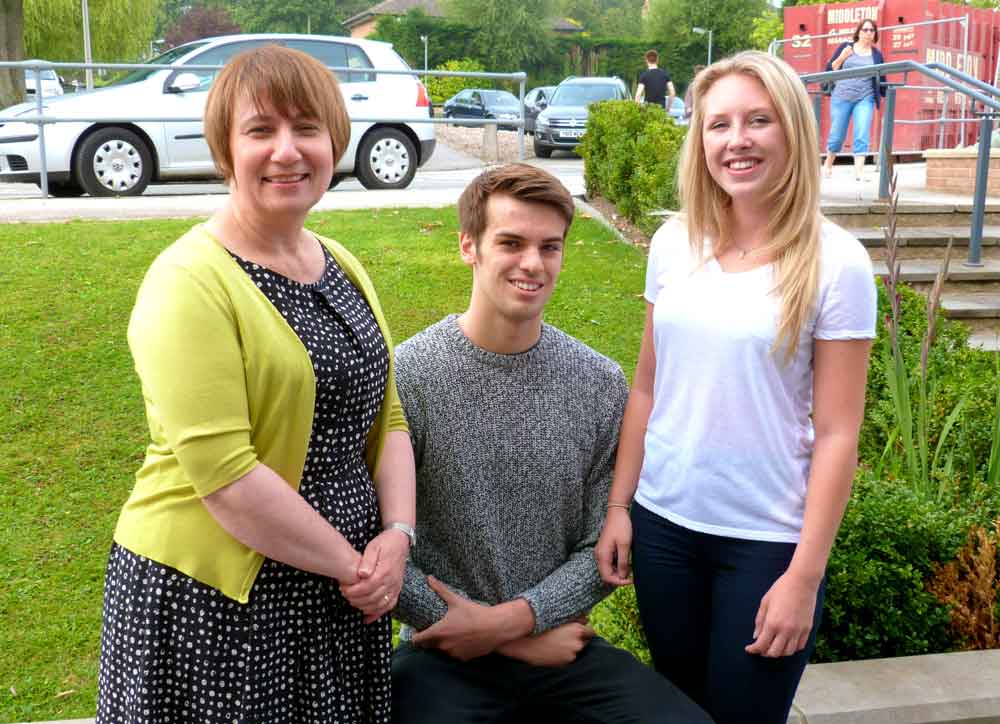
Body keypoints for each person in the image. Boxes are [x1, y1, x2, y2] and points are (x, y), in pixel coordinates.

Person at [96, 45, 415, 723]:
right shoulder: (187, 282)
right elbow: (228, 477)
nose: (287, 150)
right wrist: (358, 569)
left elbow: (386, 419)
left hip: (339, 593)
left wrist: (398, 535)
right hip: (218, 607)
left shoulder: (340, 262)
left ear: (335, 140)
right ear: (224, 148)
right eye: (260, 130)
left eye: (307, 127)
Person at [595, 51, 876, 724]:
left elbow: (839, 435)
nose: (736, 140)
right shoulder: (674, 244)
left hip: (766, 543)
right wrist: (618, 507)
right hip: (665, 529)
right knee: (680, 713)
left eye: (758, 120)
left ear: (793, 133)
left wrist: (803, 577)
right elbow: (647, 386)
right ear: (700, 139)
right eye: (718, 124)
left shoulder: (837, 263)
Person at [391, 164, 712, 724]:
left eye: (550, 247)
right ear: (469, 246)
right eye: (510, 243)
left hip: (562, 647)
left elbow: (602, 549)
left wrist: (514, 622)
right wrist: (505, 636)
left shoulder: (597, 383)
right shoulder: (409, 377)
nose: (533, 264)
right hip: (442, 649)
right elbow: (381, 549)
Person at [822, 19, 886, 180]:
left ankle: (859, 172)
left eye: (872, 30)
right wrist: (842, 57)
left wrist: (885, 94)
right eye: (865, 30)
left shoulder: (876, 54)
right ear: (858, 32)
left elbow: (882, 77)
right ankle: (828, 165)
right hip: (841, 97)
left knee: (862, 132)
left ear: (875, 34)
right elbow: (830, 69)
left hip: (865, 98)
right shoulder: (846, 47)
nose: (868, 33)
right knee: (837, 134)